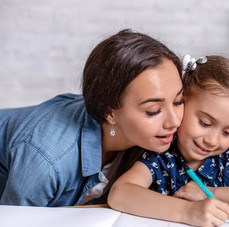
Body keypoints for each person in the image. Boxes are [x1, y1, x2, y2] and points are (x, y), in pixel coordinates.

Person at [108, 55, 229, 227]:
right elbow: (120, 193)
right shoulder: (163, 150)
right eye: (205, 123)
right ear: (181, 103)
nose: (212, 140)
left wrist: (212, 193)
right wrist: (188, 212)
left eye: (227, 132)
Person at [0, 29, 184, 206]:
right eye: (153, 111)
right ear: (109, 113)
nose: (174, 121)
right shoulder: (47, 162)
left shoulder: (159, 136)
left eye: (178, 101)